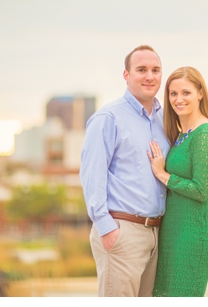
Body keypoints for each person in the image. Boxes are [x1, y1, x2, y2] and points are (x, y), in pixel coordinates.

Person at [81, 45, 170, 297]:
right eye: (141, 69)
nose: (149, 76)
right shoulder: (108, 118)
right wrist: (106, 228)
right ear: (126, 75)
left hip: (155, 233)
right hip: (123, 231)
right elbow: (92, 175)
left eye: (155, 70)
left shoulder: (165, 120)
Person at [148, 66, 208, 297]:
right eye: (173, 94)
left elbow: (201, 190)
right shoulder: (183, 134)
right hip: (173, 228)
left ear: (200, 93)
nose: (178, 99)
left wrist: (163, 174)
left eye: (186, 93)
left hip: (193, 230)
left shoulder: (205, 134)